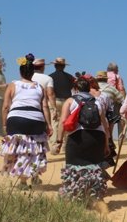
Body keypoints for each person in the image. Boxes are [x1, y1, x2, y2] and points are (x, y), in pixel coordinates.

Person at [54, 77, 109, 213]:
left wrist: (59, 141)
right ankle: (96, 200)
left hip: (77, 138)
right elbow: (105, 125)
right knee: (94, 169)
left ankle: (73, 200)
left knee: (74, 169)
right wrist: (107, 144)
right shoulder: (97, 101)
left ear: (76, 89)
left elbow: (62, 122)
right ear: (88, 88)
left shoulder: (70, 101)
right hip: (97, 139)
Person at [0, 54, 52, 189]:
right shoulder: (40, 87)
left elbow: (5, 106)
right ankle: (34, 176)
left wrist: (4, 124)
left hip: (16, 119)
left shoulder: (12, 85)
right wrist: (49, 124)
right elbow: (44, 107)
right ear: (33, 72)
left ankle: (22, 182)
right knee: (35, 147)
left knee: (19, 148)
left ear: (20, 72)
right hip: (36, 120)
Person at [49, 57, 74, 152]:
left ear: (55, 66)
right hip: (67, 102)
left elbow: (50, 92)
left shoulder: (50, 77)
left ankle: (55, 145)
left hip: (55, 101)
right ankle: (65, 145)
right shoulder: (70, 77)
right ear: (64, 66)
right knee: (66, 123)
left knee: (55, 122)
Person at [31, 59, 57, 146]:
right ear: (43, 67)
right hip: (42, 106)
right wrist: (54, 108)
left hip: (29, 105)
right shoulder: (48, 78)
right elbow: (50, 94)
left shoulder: (28, 77)